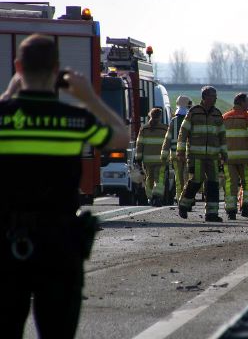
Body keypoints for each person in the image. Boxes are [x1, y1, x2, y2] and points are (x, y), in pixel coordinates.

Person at [0, 34, 128, 338]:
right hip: (57, 244)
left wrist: (8, 94)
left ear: (18, 66)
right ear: (58, 70)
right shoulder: (74, 120)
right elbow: (121, 137)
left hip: (3, 241)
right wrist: (88, 97)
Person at [177, 86, 227, 222]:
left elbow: (222, 135)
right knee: (196, 180)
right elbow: (183, 133)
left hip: (213, 157)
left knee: (213, 183)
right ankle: (184, 204)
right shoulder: (194, 112)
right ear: (205, 97)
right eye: (213, 96)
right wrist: (180, 151)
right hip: (196, 156)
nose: (215, 98)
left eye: (215, 96)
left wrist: (224, 152)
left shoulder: (217, 114)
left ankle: (211, 214)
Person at [223, 93, 248, 219]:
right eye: (247, 102)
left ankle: (231, 211)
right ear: (240, 102)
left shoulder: (225, 117)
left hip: (228, 158)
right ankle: (246, 209)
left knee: (231, 184)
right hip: (245, 158)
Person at [135, 108, 169, 206]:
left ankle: (150, 198)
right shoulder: (165, 129)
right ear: (160, 117)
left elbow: (139, 145)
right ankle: (157, 196)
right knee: (160, 178)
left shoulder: (144, 129)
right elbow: (167, 144)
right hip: (161, 159)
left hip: (148, 160)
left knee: (149, 178)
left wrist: (138, 159)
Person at [161, 95, 191, 202]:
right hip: (188, 155)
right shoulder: (191, 121)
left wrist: (164, 155)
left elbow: (167, 139)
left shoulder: (173, 121)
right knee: (188, 178)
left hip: (174, 155)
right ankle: (188, 199)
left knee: (179, 179)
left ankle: (180, 199)